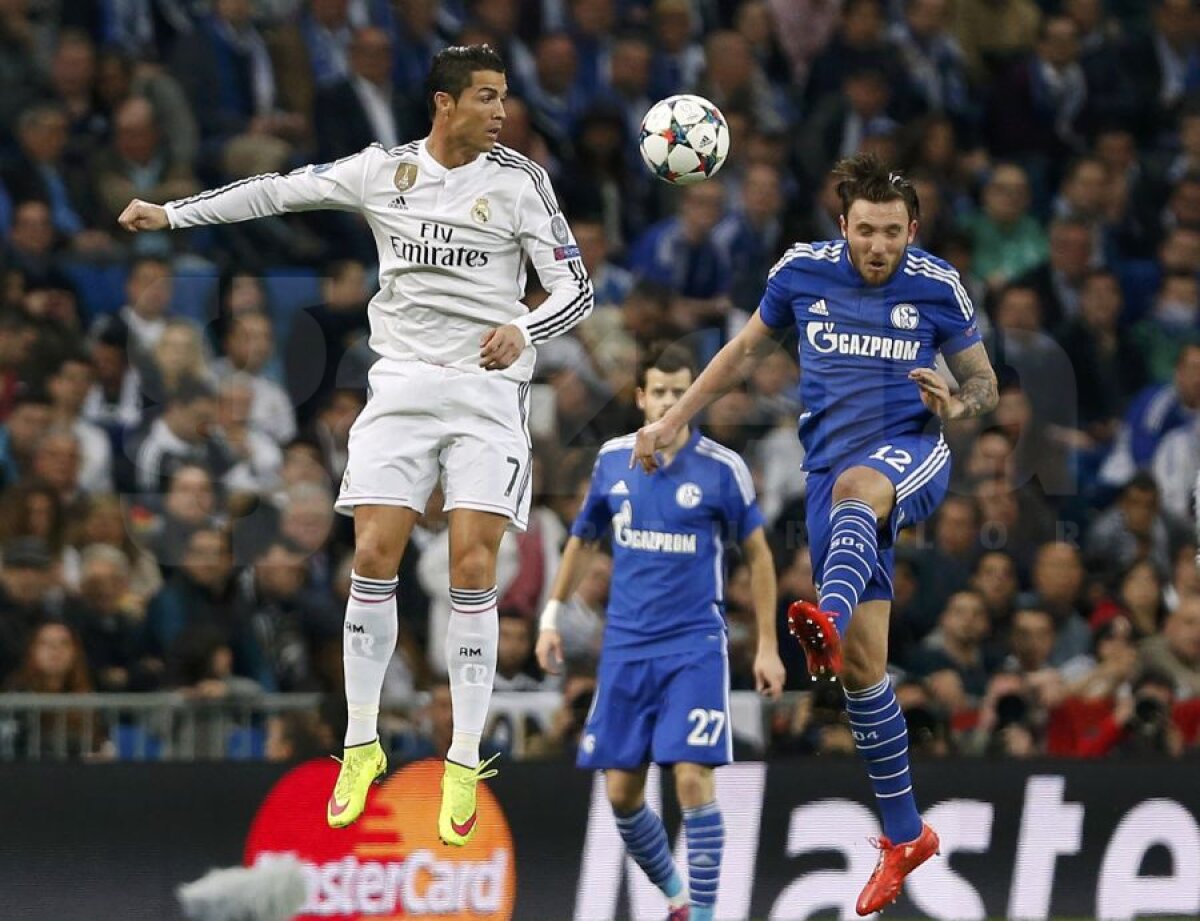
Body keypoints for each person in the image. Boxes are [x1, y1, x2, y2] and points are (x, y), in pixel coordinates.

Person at [118, 44, 594, 844]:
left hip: (485, 391)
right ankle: (362, 742)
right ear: (444, 104)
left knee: (472, 564)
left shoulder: (519, 181)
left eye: (503, 97)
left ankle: (463, 755)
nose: (501, 111)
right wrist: (172, 214)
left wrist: (522, 326)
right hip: (402, 385)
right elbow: (277, 192)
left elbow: (576, 289)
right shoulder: (383, 171)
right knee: (372, 554)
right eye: (486, 97)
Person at [633, 154, 998, 916]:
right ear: (843, 226)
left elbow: (986, 384)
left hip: (910, 452)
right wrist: (674, 417)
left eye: (892, 233)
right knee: (865, 670)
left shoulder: (937, 284)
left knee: (863, 496)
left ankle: (820, 619)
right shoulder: (800, 272)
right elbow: (740, 353)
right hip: (832, 473)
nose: (878, 246)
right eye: (865, 230)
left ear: (913, 230)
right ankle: (906, 834)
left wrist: (957, 401)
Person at [538, 344, 786, 921]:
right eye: (662, 392)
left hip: (693, 647)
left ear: (693, 397)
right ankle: (677, 898)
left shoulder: (723, 469)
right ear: (641, 398)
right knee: (622, 795)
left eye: (683, 391)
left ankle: (702, 915)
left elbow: (761, 557)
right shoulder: (611, 461)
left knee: (693, 779)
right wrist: (552, 615)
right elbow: (583, 539)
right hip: (624, 649)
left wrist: (769, 645)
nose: (672, 401)